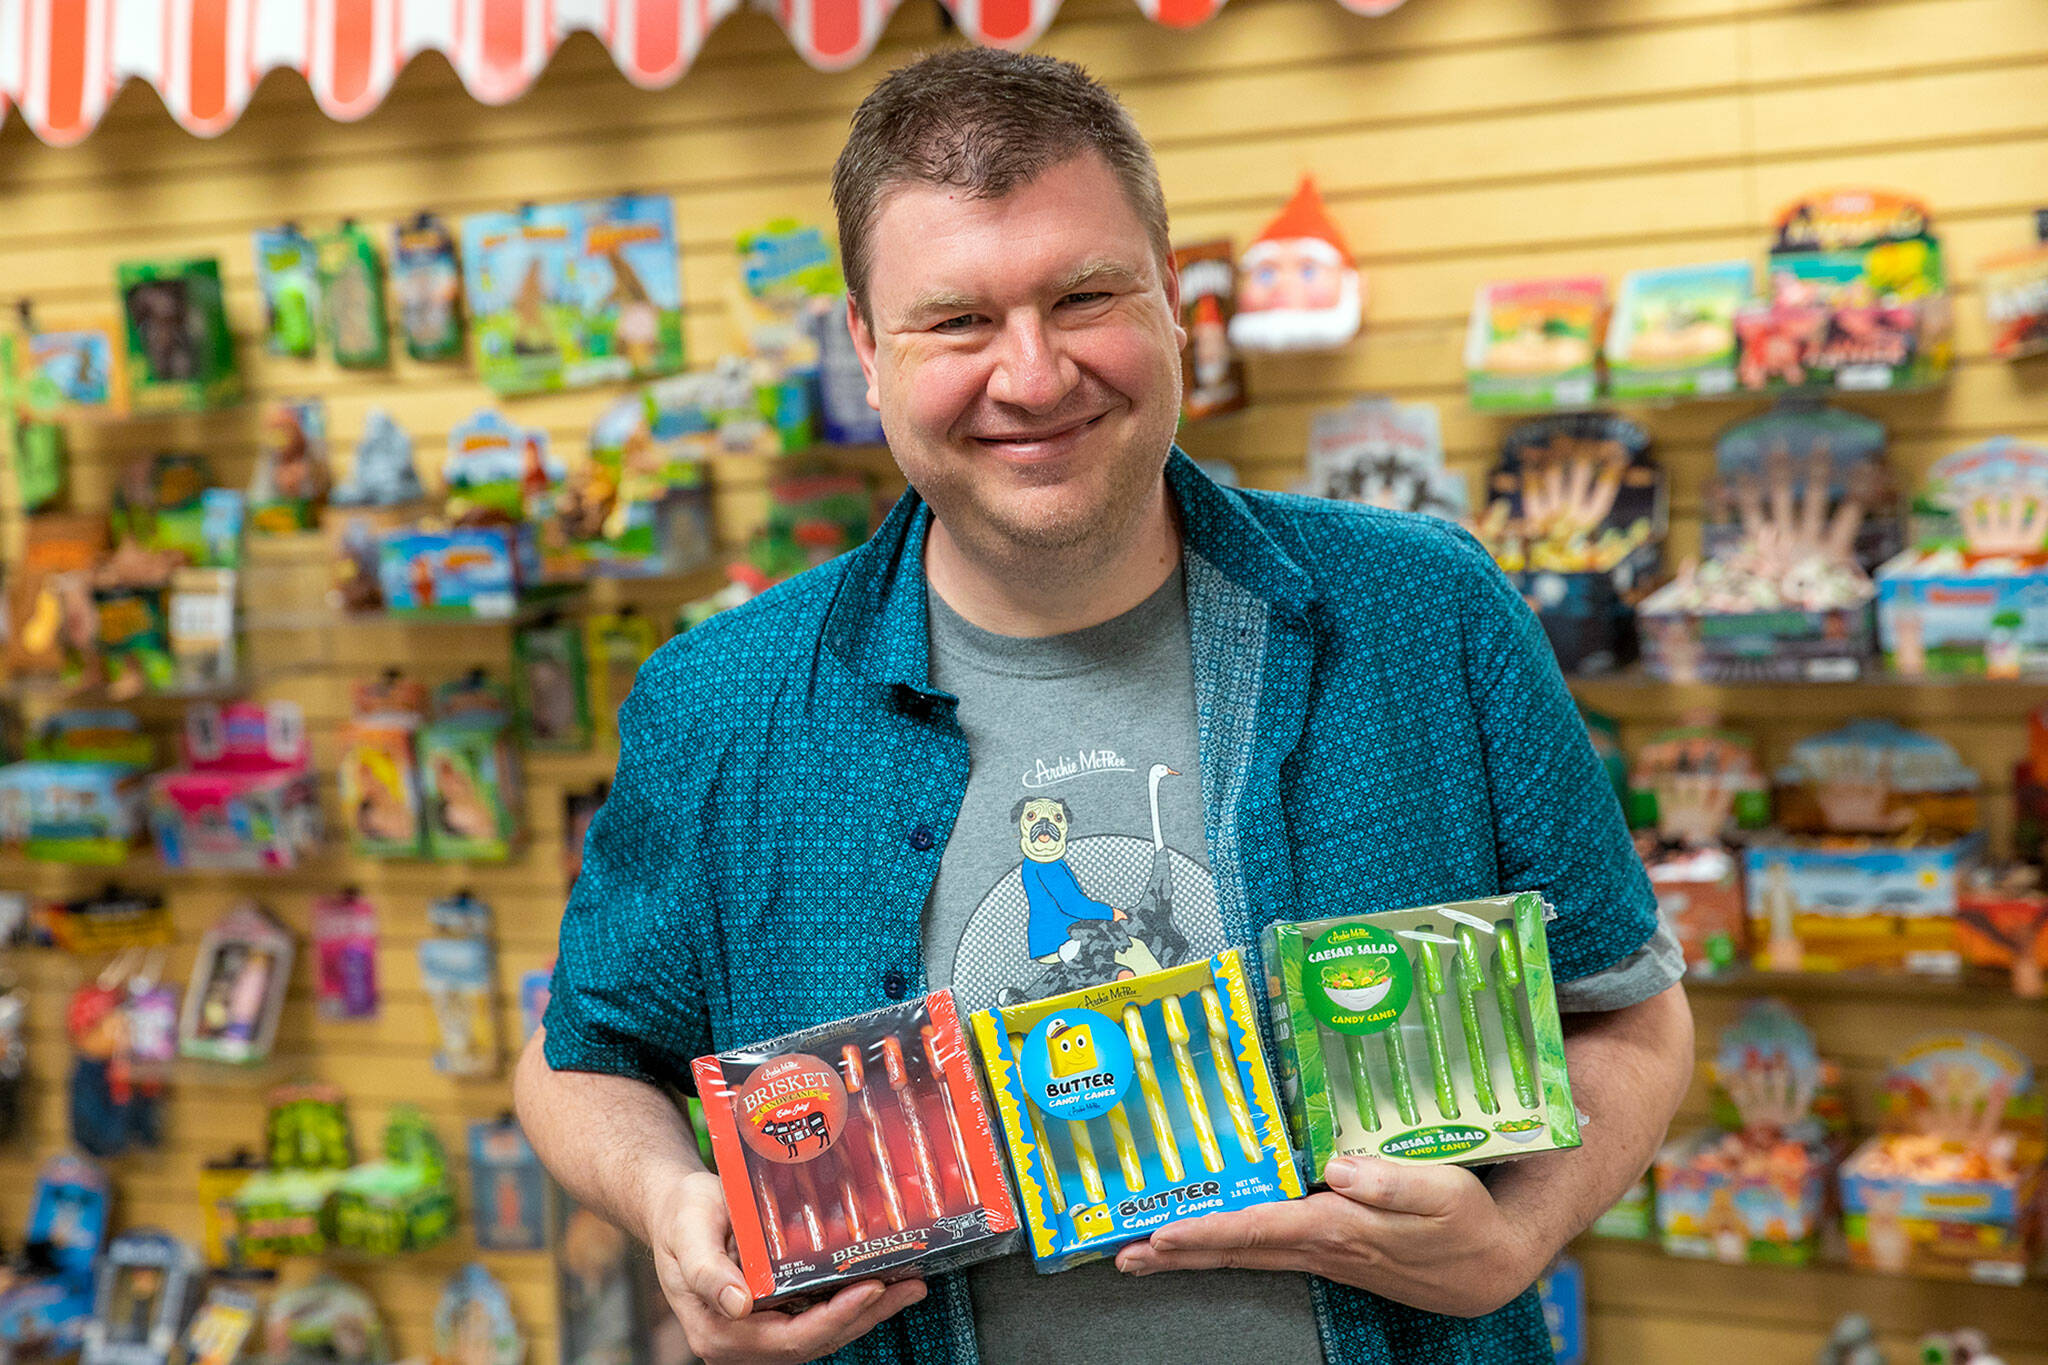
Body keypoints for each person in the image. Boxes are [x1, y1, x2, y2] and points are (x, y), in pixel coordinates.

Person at [514, 48, 1693, 1365]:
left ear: (1174, 297)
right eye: (957, 321)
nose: (1032, 374)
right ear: (864, 344)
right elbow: (581, 1053)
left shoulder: (1424, 611)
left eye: (1085, 295)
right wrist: (672, 1201)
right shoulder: (722, 698)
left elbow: (1630, 1006)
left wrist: (1522, 1231)